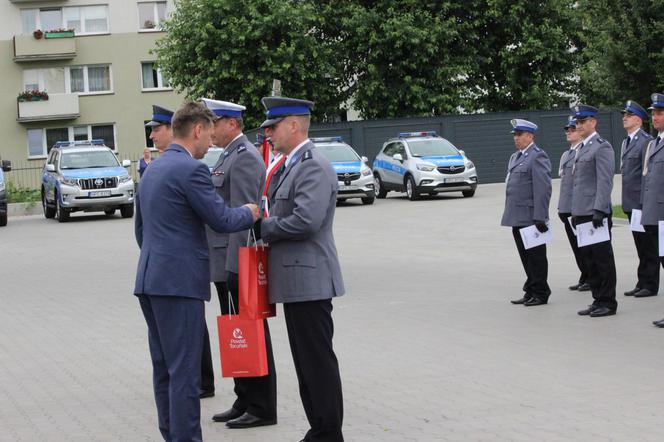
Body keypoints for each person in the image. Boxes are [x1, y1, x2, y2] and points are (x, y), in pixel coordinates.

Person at [134, 101, 259, 442]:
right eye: (209, 131)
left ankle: (171, 434)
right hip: (179, 284)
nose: (211, 142)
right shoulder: (192, 170)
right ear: (198, 129)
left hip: (150, 280)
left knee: (165, 369)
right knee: (185, 372)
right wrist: (250, 212)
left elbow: (140, 232)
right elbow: (221, 219)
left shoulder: (153, 169)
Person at [254, 96, 345, 442]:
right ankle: (319, 429)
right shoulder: (291, 164)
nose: (268, 134)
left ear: (294, 125)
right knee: (306, 365)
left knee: (317, 363)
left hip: (310, 278)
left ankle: (328, 433)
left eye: (273, 127)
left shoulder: (312, 165)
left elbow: (306, 221)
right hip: (296, 280)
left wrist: (263, 227)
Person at [200, 98, 277, 429]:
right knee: (236, 332)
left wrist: (236, 267)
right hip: (224, 261)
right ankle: (244, 397)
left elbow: (244, 217)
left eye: (214, 123)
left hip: (236, 262)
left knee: (250, 331)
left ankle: (261, 405)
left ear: (231, 123)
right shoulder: (228, 156)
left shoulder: (243, 158)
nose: (210, 130)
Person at [570, 104, 618, 318]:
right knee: (589, 259)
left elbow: (604, 181)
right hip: (582, 212)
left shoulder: (601, 147)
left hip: (595, 213)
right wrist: (575, 212)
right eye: (577, 122)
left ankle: (608, 301)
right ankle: (598, 299)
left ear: (593, 122)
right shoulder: (582, 147)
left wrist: (600, 209)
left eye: (582, 121)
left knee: (602, 259)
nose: (578, 125)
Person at [501, 119, 552, 307]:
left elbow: (543, 188)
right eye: (515, 135)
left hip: (531, 216)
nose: (516, 138)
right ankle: (531, 289)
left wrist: (540, 215)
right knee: (525, 256)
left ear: (530, 136)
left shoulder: (537, 156)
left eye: (520, 134)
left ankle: (541, 292)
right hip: (517, 215)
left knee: (536, 257)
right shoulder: (516, 157)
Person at [619, 100, 656, 298]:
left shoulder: (645, 141)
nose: (624, 118)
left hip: (640, 203)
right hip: (630, 202)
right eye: (624, 115)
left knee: (648, 246)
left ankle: (650, 284)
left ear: (639, 120)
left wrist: (643, 204)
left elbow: (645, 175)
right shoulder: (627, 142)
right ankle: (642, 280)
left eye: (628, 115)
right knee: (640, 245)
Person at [558, 117, 589, 292]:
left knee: (585, 246)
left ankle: (590, 276)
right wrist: (561, 208)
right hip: (568, 209)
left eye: (572, 129)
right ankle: (584, 274)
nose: (568, 132)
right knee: (576, 246)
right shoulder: (567, 154)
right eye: (567, 129)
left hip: (580, 208)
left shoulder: (581, 153)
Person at [641, 94, 664, 326]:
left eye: (659, 113)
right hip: (655, 215)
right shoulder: (654, 143)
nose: (655, 117)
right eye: (654, 113)